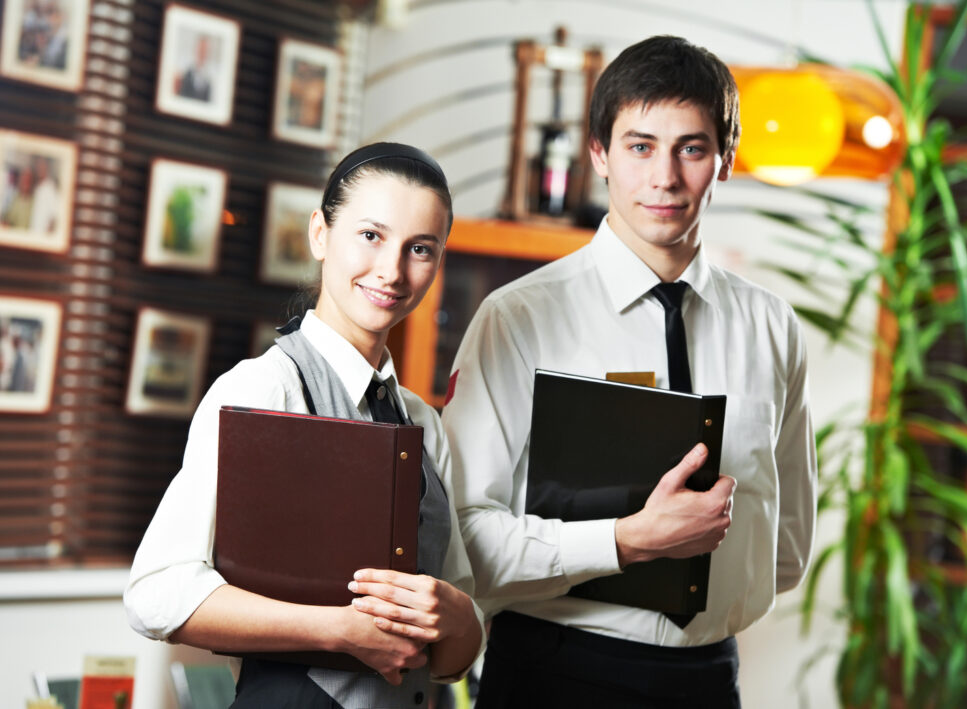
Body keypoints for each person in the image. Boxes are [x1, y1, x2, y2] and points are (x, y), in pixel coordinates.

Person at [441, 35, 817, 708]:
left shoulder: (771, 327)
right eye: (640, 146)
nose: (665, 177)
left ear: (726, 160)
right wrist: (622, 541)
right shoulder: (518, 317)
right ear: (599, 156)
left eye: (692, 148)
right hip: (553, 674)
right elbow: (461, 536)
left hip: (707, 681)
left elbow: (785, 547)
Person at [125, 142, 485, 708]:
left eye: (420, 248)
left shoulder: (422, 422)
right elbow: (156, 594)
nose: (391, 271)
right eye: (370, 236)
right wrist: (338, 631)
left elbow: (453, 649)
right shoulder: (264, 389)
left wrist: (461, 617)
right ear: (320, 234)